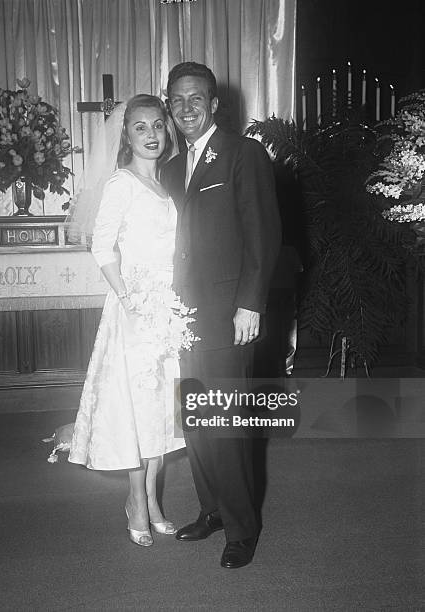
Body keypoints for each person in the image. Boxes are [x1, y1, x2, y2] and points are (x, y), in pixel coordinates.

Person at [161, 62, 281, 568]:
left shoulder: (243, 153)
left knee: (227, 421)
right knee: (197, 420)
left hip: (229, 314)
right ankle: (211, 509)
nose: (185, 108)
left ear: (214, 104)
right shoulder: (170, 167)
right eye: (177, 100)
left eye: (196, 99)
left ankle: (242, 528)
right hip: (181, 316)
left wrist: (251, 302)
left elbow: (264, 232)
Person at [68, 94, 185, 548]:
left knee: (162, 405)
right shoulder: (122, 183)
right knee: (136, 407)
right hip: (136, 308)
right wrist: (130, 298)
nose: (152, 134)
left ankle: (155, 499)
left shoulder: (169, 184)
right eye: (141, 127)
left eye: (158, 125)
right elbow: (102, 248)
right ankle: (136, 500)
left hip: (171, 310)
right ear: (127, 134)